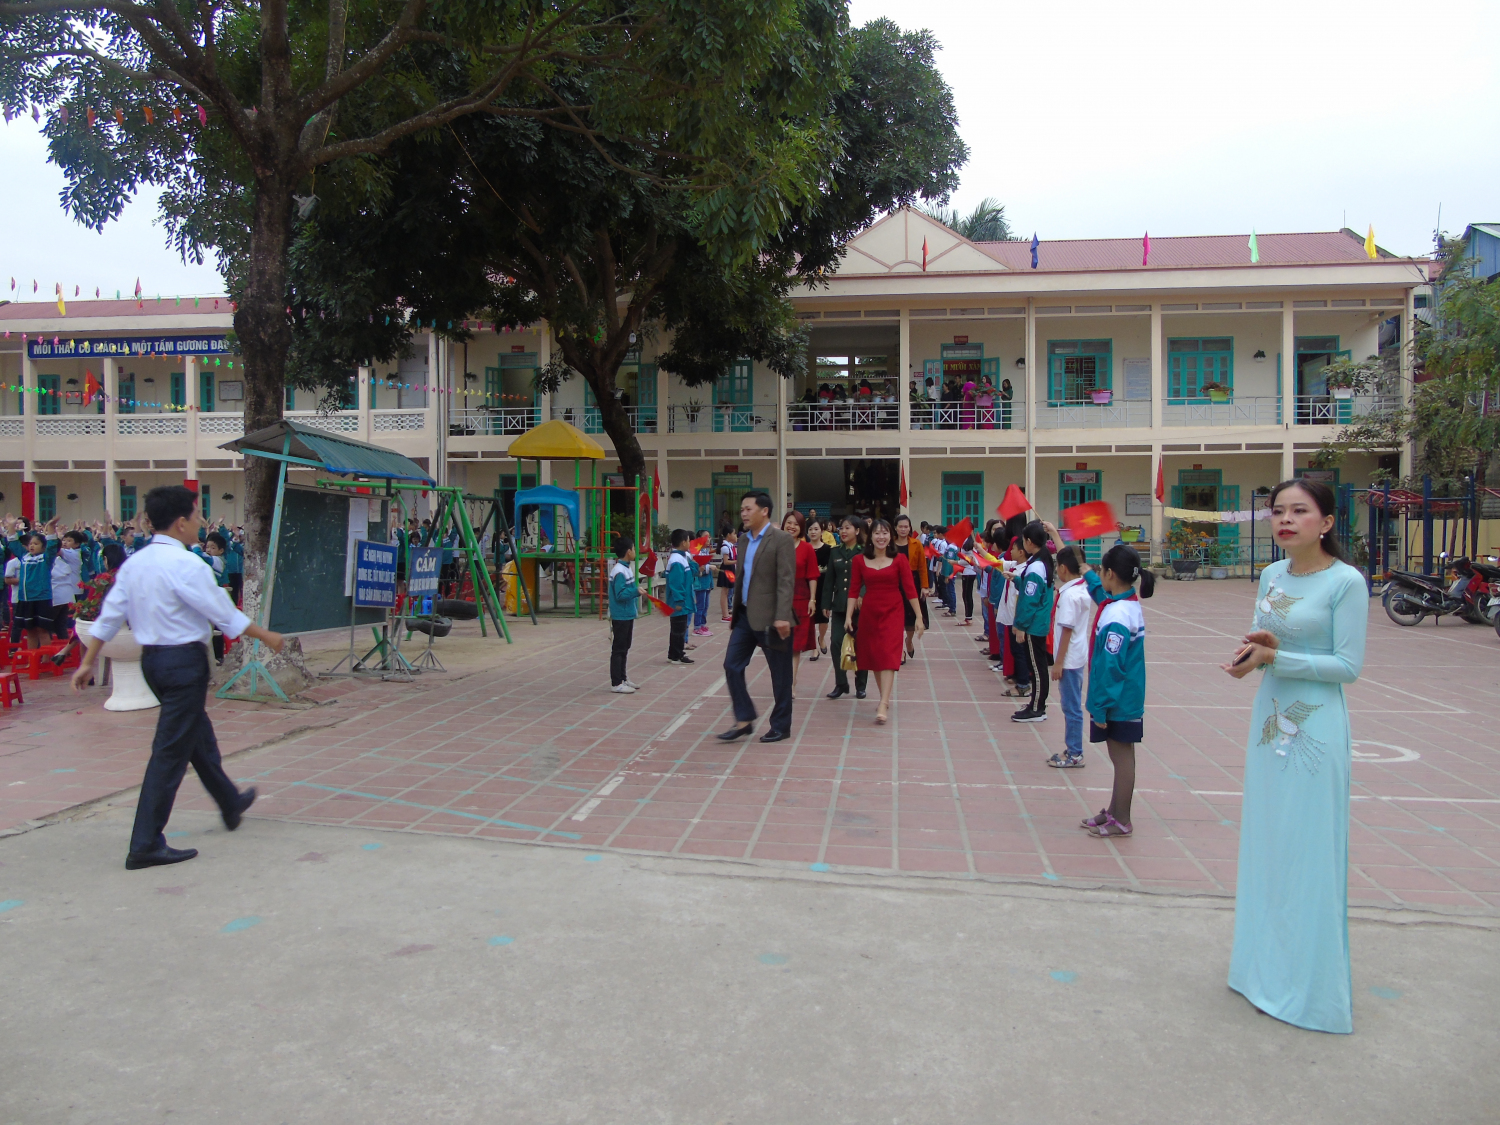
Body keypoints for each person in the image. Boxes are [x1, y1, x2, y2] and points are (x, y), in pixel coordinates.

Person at [71, 485, 285, 870]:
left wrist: (88, 661)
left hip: (153, 663)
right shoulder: (187, 565)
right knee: (170, 752)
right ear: (181, 522)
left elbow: (110, 615)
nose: (201, 524)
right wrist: (266, 636)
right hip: (183, 664)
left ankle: (229, 801)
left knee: (197, 735)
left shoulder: (135, 563)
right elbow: (223, 613)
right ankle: (145, 843)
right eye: (197, 516)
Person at [1221, 478, 1368, 1035]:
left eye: (1299, 511)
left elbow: (1347, 666)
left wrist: (1276, 661)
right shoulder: (1271, 575)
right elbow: (1271, 641)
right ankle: (1259, 970)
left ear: (1326, 522)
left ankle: (1308, 990)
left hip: (1316, 726)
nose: (1285, 519)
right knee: (1269, 842)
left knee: (1308, 850)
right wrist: (1253, 656)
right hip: (1269, 717)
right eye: (1278, 510)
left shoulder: (1346, 582)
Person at [1077, 543, 1155, 839]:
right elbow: (1100, 593)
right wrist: (1087, 573)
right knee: (1121, 755)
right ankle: (1114, 810)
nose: (1099, 576)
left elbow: (1111, 667)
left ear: (1110, 573)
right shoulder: (1123, 603)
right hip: (1124, 695)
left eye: (1101, 571)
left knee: (1121, 758)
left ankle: (1122, 819)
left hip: (1118, 699)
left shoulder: (1117, 616)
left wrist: (1100, 707)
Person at [719, 491, 796, 743]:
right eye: (742, 509)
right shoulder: (742, 540)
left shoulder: (781, 539)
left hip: (772, 618)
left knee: (780, 674)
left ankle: (781, 726)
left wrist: (782, 616)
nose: (743, 513)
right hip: (744, 616)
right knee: (732, 665)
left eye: (748, 509)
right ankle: (744, 718)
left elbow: (786, 580)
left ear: (764, 511)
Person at [846, 518, 922, 725]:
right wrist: (848, 616)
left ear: (891, 536)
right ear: (870, 536)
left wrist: (919, 616)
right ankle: (883, 697)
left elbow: (910, 589)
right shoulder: (859, 560)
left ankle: (883, 702)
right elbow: (854, 589)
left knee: (888, 654)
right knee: (875, 656)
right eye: (877, 533)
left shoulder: (899, 560)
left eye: (885, 533)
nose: (881, 537)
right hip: (870, 612)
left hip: (893, 611)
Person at [1047, 546, 1092, 768]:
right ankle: (1073, 748)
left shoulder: (1069, 596)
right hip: (1076, 655)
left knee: (1071, 706)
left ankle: (1075, 753)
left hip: (1069, 658)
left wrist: (1058, 663)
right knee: (1071, 704)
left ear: (1063, 568)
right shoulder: (1082, 588)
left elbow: (1066, 630)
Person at [1011, 521, 1055, 722]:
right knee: (1037, 666)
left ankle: (1037, 708)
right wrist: (1016, 579)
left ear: (1029, 542)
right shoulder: (1041, 562)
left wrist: (1020, 625)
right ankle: (1036, 704)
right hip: (1038, 622)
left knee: (1037, 669)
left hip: (1034, 624)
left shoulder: (1036, 567)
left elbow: (1030, 601)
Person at [822, 516, 868, 700]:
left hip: (861, 607)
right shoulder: (835, 552)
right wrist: (826, 603)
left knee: (861, 645)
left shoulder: (865, 551)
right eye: (841, 528)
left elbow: (869, 576)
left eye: (848, 528)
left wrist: (861, 594)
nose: (843, 531)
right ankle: (841, 683)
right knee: (836, 642)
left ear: (857, 531)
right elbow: (829, 580)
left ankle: (861, 685)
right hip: (840, 605)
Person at [781, 511, 820, 692]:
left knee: (795, 644)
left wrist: (812, 599)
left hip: (800, 598)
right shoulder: (775, 546)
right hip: (779, 599)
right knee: (780, 643)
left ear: (801, 528)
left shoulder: (807, 549)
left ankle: (791, 682)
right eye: (789, 523)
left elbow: (812, 576)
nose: (792, 527)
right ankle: (783, 679)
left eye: (796, 524)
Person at [7, 525, 59, 650]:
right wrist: (11, 526)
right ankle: (32, 658)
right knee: (30, 631)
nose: (32, 546)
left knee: (42, 630)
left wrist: (51, 527)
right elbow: (13, 545)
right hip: (25, 599)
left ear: (43, 547)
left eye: (36, 544)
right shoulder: (24, 557)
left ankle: (46, 659)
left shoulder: (45, 559)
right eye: (30, 544)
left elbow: (52, 546)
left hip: (41, 598)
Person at [893, 515, 928, 662]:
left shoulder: (916, 544)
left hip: (913, 581)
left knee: (911, 617)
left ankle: (909, 640)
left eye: (906, 526)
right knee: (896, 618)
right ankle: (900, 649)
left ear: (910, 528)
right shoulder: (890, 544)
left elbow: (922, 567)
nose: (903, 529)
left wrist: (925, 586)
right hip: (894, 582)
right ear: (895, 528)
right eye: (900, 526)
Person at [607, 537, 640, 693]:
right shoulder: (619, 571)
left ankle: (623, 678)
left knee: (625, 647)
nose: (635, 551)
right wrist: (635, 591)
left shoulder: (626, 568)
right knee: (619, 649)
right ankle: (616, 683)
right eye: (633, 548)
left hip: (627, 614)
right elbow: (620, 595)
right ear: (628, 552)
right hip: (620, 615)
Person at [664, 529, 695, 665]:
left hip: (682, 600)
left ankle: (677, 653)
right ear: (683, 543)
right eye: (688, 541)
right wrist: (679, 600)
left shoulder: (681, 557)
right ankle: (675, 655)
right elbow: (676, 583)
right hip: (678, 602)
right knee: (678, 629)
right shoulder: (676, 560)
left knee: (680, 628)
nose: (689, 543)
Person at [806, 517, 832, 661]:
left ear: (822, 531)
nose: (813, 532)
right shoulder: (805, 548)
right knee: (809, 618)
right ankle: (814, 648)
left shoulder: (828, 549)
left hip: (824, 587)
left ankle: (821, 638)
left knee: (824, 618)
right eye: (810, 529)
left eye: (816, 529)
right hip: (808, 587)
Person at [691, 529, 715, 638]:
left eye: (709, 537)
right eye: (706, 537)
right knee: (700, 605)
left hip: (707, 582)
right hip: (700, 583)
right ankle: (697, 627)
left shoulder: (705, 551)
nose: (708, 539)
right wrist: (709, 567)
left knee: (706, 605)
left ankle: (702, 625)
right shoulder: (696, 552)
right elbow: (698, 567)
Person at [716, 527, 737, 622]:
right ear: (729, 535)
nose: (735, 535)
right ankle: (725, 615)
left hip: (730, 569)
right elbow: (726, 561)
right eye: (734, 533)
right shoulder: (725, 547)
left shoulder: (730, 546)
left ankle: (726, 614)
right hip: (727, 569)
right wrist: (737, 561)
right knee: (724, 592)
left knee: (727, 592)